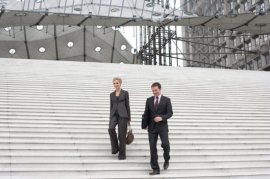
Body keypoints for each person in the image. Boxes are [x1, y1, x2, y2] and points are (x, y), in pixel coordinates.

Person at [142, 82, 173, 175]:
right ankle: (155, 169)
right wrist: (144, 125)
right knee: (152, 147)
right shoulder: (149, 100)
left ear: (160, 89)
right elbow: (146, 113)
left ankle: (166, 159)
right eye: (153, 90)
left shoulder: (167, 100)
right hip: (152, 127)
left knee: (165, 144)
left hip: (163, 126)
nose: (154, 92)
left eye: (156, 90)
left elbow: (170, 113)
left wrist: (162, 118)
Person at [108, 77, 131, 160]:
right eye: (114, 83)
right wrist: (110, 116)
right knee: (111, 129)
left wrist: (129, 117)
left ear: (120, 83)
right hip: (114, 114)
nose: (115, 84)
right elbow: (111, 106)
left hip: (123, 115)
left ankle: (122, 154)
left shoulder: (125, 93)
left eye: (117, 83)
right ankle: (115, 148)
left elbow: (127, 105)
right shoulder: (111, 94)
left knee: (121, 135)